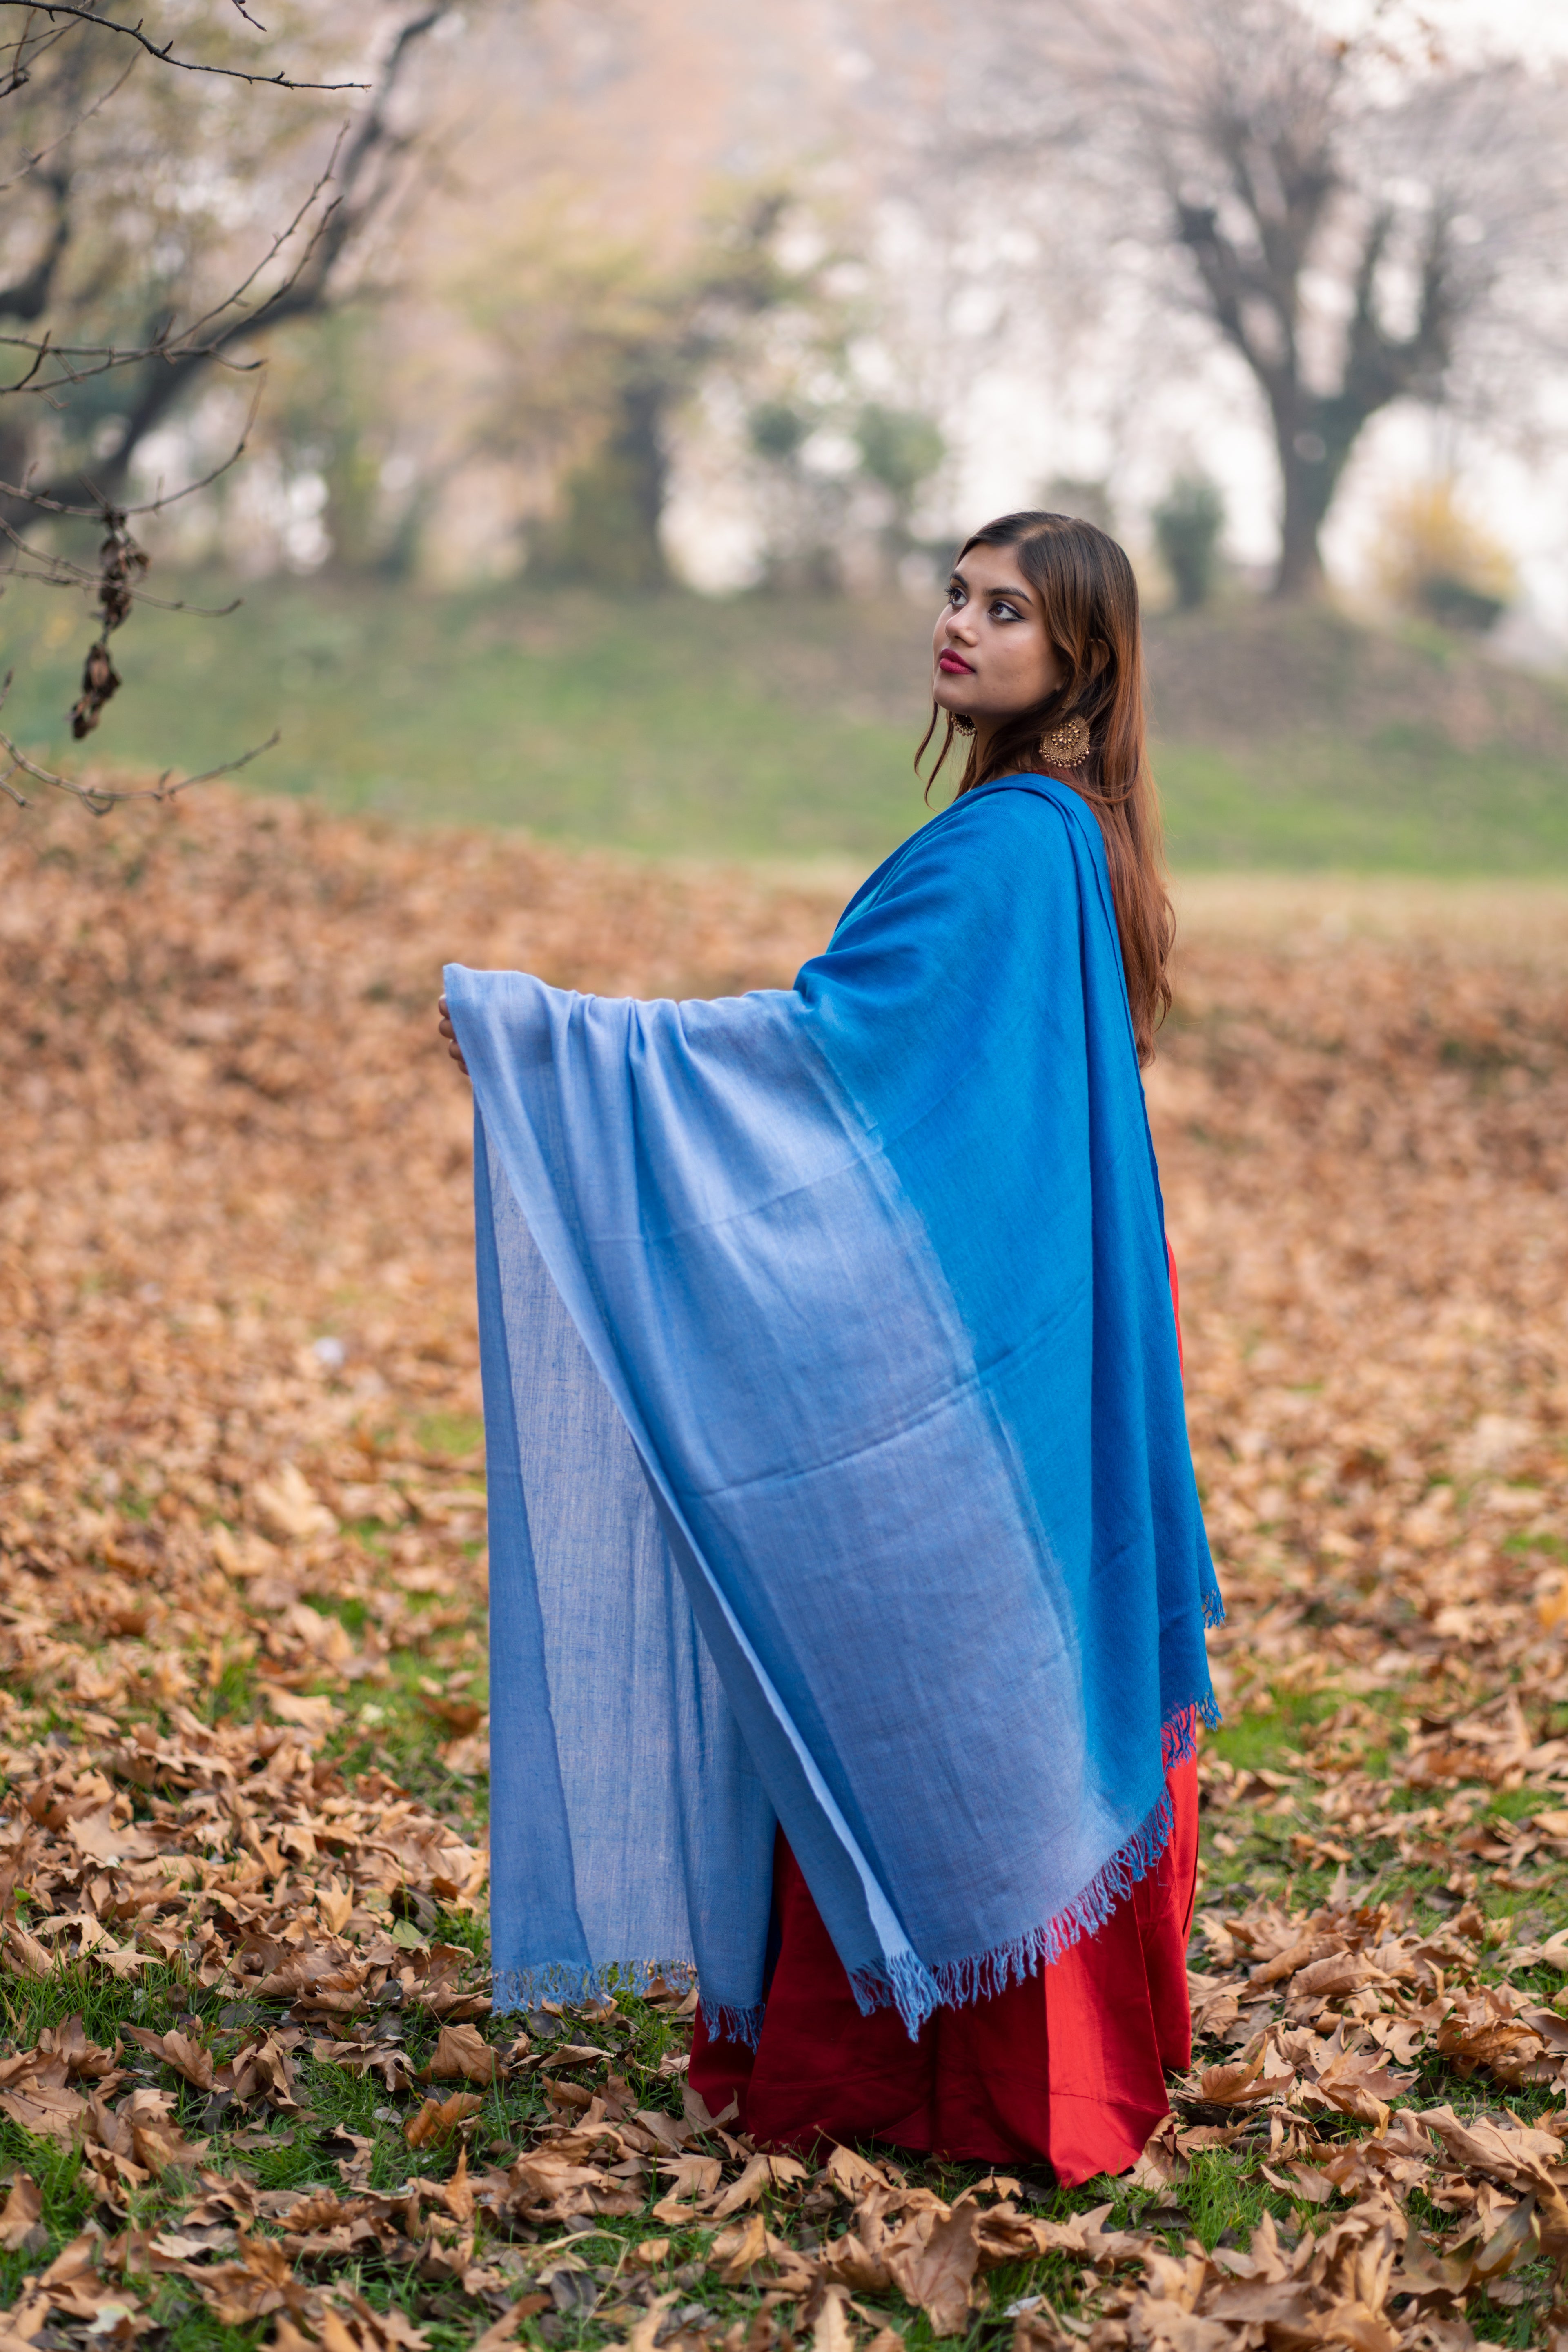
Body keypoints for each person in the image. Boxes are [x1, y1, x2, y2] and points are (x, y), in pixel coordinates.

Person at [437, 510, 1221, 2187]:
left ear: (1075, 658)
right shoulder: (1061, 838)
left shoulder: (1016, 847)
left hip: (988, 1339)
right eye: (957, 592)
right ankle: (966, 2060)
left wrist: (553, 1041)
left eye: (1006, 610)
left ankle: (938, 2076)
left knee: (912, 1644)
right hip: (1022, 1333)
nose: (962, 624)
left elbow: (835, 1059)